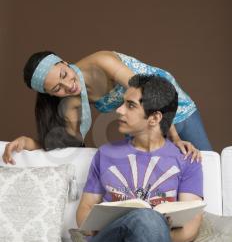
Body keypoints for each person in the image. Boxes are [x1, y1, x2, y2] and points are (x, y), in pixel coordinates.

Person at [76, 74, 203, 242]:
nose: (119, 111)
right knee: (146, 218)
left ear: (154, 117)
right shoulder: (105, 154)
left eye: (130, 105)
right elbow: (83, 215)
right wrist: (144, 226)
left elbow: (189, 230)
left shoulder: (187, 160)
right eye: (122, 103)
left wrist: (144, 236)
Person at [2, 50, 211, 164]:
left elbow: (149, 94)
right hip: (138, 123)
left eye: (64, 75)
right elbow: (65, 147)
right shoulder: (71, 101)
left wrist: (175, 138)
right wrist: (29, 143)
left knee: (206, 162)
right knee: (148, 182)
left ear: (65, 62)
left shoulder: (101, 62)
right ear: (50, 94)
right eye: (57, 88)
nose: (68, 86)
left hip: (167, 102)